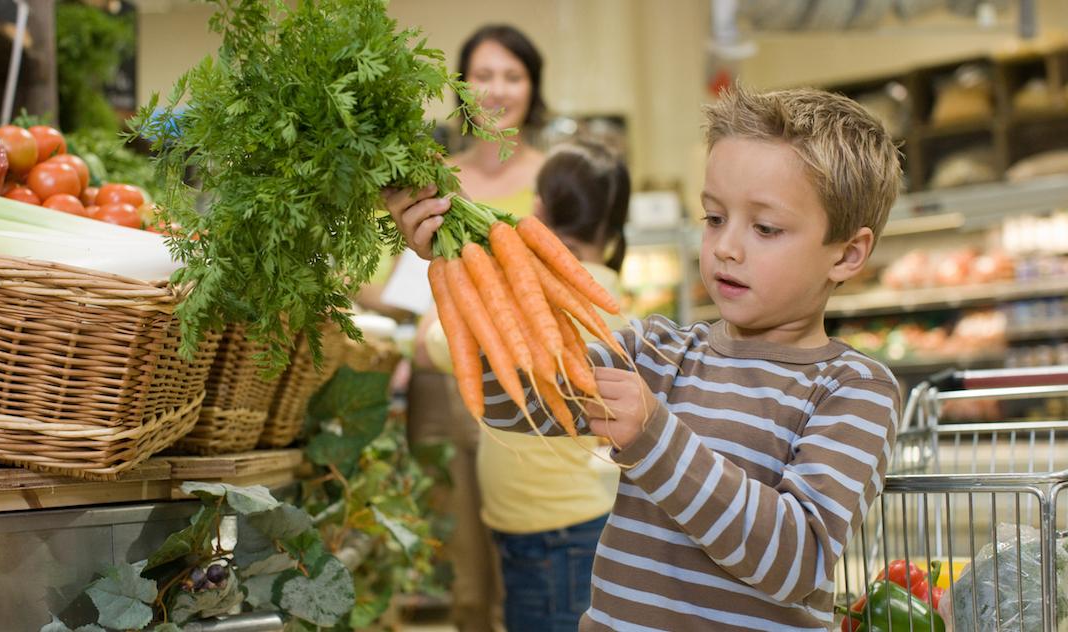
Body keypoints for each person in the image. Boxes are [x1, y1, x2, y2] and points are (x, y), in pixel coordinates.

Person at [386, 83, 904, 631]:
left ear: (847, 253)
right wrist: (462, 262)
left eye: (766, 227)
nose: (727, 246)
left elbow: (794, 562)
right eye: (713, 218)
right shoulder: (657, 353)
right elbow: (510, 403)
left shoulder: (853, 388)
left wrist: (654, 435)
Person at [423, 140, 629, 632]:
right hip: (571, 521)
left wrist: (448, 279)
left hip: (551, 533)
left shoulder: (527, 290)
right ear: (615, 228)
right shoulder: (606, 293)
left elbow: (433, 344)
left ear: (537, 209)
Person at [403, 23, 546, 632]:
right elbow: (389, 279)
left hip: (527, 377)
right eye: (483, 75)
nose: (496, 89)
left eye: (512, 75)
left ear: (533, 88)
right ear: (460, 87)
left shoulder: (554, 176)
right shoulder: (438, 180)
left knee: (527, 557)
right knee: (460, 563)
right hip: (442, 379)